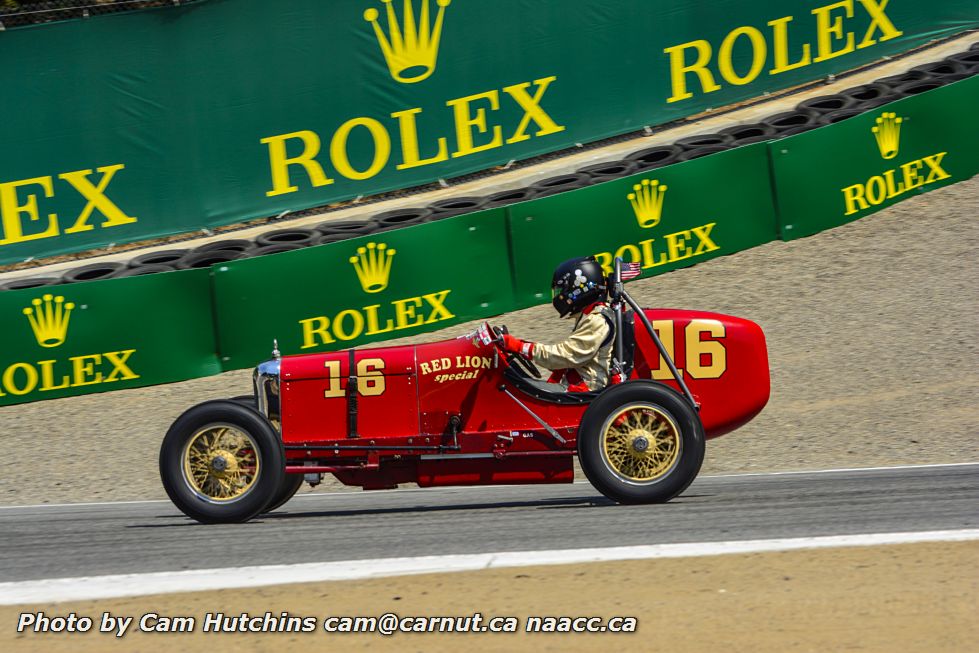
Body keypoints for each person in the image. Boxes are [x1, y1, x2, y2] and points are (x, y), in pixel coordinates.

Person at [498, 256, 616, 392]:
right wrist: (521, 347)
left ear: (579, 287)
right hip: (578, 381)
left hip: (585, 389)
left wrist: (522, 348)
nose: (560, 296)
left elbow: (565, 356)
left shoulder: (597, 320)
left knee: (516, 390)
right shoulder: (593, 314)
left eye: (562, 290)